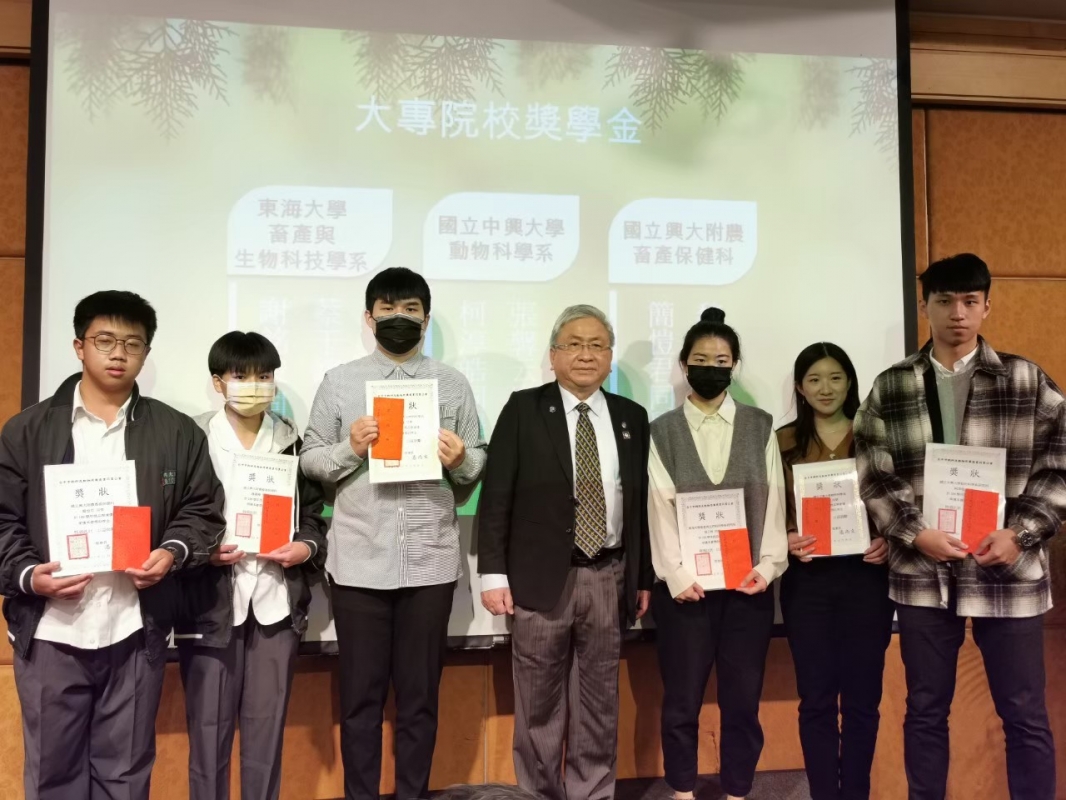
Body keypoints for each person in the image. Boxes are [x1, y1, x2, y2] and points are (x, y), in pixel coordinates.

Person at [854, 253, 1065, 800]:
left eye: (970, 301)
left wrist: (1021, 533)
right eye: (945, 301)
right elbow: (873, 472)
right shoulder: (892, 386)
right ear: (924, 305)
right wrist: (913, 532)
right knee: (925, 710)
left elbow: (1060, 467)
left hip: (1009, 571)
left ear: (987, 306)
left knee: (1024, 714)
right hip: (924, 573)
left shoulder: (1026, 379)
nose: (958, 313)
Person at [0, 290, 224, 800]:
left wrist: (171, 553)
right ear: (79, 346)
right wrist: (30, 576)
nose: (118, 353)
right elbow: (3, 519)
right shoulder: (27, 430)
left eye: (132, 343)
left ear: (146, 353)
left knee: (124, 777)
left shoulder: (176, 431)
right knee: (53, 777)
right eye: (105, 340)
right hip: (51, 631)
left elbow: (202, 509)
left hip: (133, 629)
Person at [300, 267, 487, 800]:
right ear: (369, 317)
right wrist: (350, 448)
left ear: (425, 319)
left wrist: (461, 458)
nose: (398, 318)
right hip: (360, 562)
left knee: (420, 700)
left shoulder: (452, 383)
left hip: (429, 561)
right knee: (360, 701)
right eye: (387, 309)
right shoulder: (341, 382)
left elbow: (477, 463)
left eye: (410, 309)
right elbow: (311, 459)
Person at [477, 304, 652, 800]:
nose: (585, 354)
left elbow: (638, 505)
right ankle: (539, 794)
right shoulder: (523, 409)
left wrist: (641, 578)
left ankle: (592, 792)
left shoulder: (631, 417)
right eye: (573, 344)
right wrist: (493, 574)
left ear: (610, 357)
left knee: (600, 699)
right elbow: (496, 496)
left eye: (597, 345)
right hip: (539, 579)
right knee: (538, 703)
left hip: (608, 574)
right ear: (553, 355)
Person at [173, 331, 328, 800]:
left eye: (264, 376)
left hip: (275, 603)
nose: (255, 385)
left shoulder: (292, 441)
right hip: (211, 603)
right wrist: (202, 551)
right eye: (241, 376)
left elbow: (313, 515)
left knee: (267, 732)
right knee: (208, 734)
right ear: (218, 382)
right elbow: (173, 515)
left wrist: (305, 548)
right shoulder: (191, 437)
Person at [647, 307, 788, 800]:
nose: (711, 367)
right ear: (684, 364)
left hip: (748, 587)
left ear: (735, 365)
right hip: (685, 591)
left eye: (722, 360)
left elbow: (773, 501)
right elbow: (659, 506)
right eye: (701, 359)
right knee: (681, 701)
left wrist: (768, 566)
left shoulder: (759, 426)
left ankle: (737, 790)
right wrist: (676, 573)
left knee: (742, 702)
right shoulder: (661, 430)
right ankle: (682, 790)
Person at [777, 343, 894, 800]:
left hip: (867, 579)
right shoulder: (781, 441)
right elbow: (765, 508)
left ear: (850, 383)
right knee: (816, 701)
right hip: (807, 583)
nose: (825, 388)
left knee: (863, 701)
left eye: (835, 377)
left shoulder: (876, 434)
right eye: (814, 379)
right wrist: (785, 535)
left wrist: (890, 537)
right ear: (800, 388)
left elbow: (900, 497)